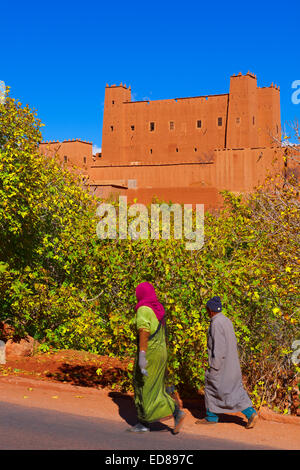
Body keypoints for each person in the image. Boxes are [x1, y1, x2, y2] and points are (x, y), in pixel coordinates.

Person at [128, 281, 185, 434]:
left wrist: (142, 355)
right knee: (155, 386)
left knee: (143, 385)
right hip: (161, 352)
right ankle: (145, 420)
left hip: (150, 352)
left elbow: (144, 332)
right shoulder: (157, 307)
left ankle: (173, 412)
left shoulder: (143, 309)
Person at [196, 296, 258, 429]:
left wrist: (214, 366)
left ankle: (212, 417)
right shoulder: (226, 320)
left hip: (221, 364)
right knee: (234, 390)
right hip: (232, 364)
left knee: (211, 386)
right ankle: (250, 413)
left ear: (211, 310)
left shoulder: (216, 323)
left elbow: (218, 347)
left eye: (207, 309)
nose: (207, 312)